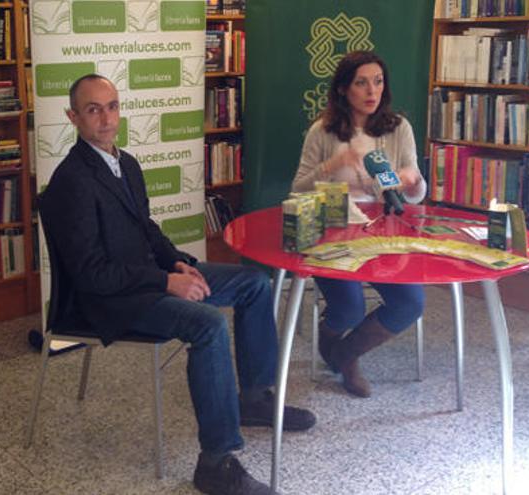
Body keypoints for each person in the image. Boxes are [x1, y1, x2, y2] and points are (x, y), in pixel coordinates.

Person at [40, 74, 316, 495]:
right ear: (73, 116)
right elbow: (91, 274)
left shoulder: (125, 163)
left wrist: (179, 263)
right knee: (207, 324)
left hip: (148, 279)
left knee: (253, 282)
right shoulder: (71, 182)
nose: (106, 118)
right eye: (93, 109)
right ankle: (215, 462)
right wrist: (164, 281)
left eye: (112, 106)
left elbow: (146, 230)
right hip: (109, 300)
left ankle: (254, 398)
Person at [292, 51, 427, 398]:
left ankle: (345, 354)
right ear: (343, 89)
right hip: (333, 230)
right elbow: (298, 188)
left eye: (378, 82)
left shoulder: (399, 129)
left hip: (384, 231)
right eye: (361, 82)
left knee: (411, 302)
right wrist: (331, 164)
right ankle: (333, 338)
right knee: (350, 307)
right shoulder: (322, 132)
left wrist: (412, 181)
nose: (372, 91)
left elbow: (415, 190)